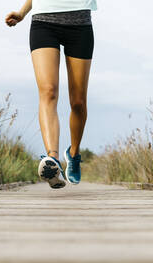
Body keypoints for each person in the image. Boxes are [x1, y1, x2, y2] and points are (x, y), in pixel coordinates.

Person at [5, 0, 97, 189]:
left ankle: (73, 154)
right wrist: (22, 12)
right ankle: (52, 159)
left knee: (78, 102)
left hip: (79, 22)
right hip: (43, 21)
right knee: (48, 91)